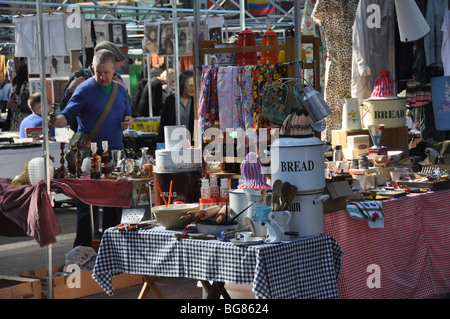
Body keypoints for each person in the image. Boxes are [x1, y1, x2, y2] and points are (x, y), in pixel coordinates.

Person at [52, 49, 133, 247]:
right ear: (92, 68)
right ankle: (83, 249)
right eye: (97, 72)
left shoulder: (120, 89)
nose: (101, 76)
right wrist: (55, 120)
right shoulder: (85, 88)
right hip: (90, 155)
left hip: (115, 153)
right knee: (87, 205)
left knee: (115, 204)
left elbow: (128, 115)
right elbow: (67, 115)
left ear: (114, 69)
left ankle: (112, 248)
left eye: (106, 72)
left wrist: (128, 121)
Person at [58, 41, 126, 114]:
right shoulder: (78, 77)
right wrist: (70, 91)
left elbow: (128, 110)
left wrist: (125, 91)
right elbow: (63, 110)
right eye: (116, 64)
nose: (117, 68)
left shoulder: (116, 78)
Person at [158, 70, 195, 144]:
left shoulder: (196, 101)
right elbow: (163, 124)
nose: (193, 88)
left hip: (192, 144)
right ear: (182, 85)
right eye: (190, 86)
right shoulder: (171, 101)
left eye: (194, 85)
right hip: (173, 143)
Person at [6, 64, 31, 132]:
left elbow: (10, 101)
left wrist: (17, 108)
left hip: (18, 116)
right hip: (28, 115)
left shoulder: (17, 87)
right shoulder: (29, 86)